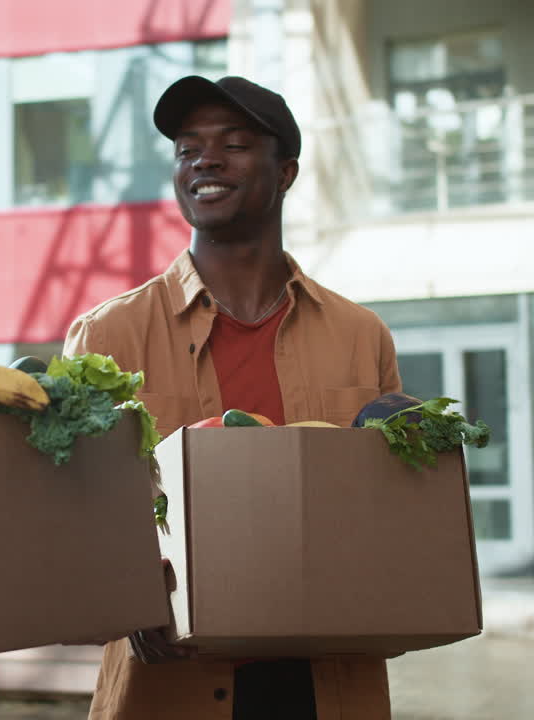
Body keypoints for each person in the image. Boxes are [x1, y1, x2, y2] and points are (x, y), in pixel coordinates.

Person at [63, 76, 402, 719]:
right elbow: (74, 509)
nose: (204, 161)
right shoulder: (109, 336)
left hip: (328, 684)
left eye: (234, 144)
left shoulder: (360, 335)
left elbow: (390, 506)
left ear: (286, 173)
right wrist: (134, 600)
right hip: (172, 683)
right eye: (187, 149)